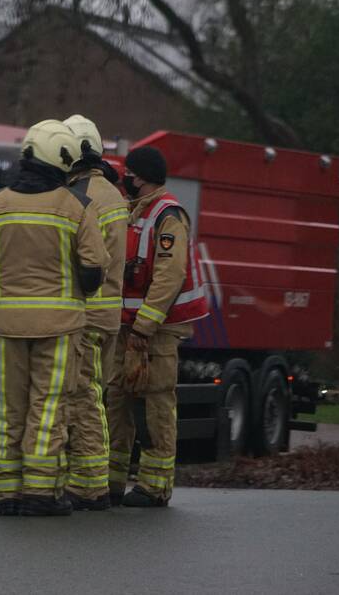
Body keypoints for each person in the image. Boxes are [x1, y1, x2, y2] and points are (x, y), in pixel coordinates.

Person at [0, 120, 109, 517]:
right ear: (61, 159)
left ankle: (7, 495)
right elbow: (95, 268)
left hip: (7, 326)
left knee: (8, 411)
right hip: (60, 329)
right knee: (48, 408)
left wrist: (2, 287)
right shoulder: (76, 206)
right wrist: (74, 291)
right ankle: (41, 493)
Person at [108, 146, 209, 508]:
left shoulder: (168, 216)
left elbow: (169, 275)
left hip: (156, 331)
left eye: (128, 175)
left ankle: (155, 485)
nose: (124, 181)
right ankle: (111, 481)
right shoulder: (134, 212)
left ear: (142, 177)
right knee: (116, 399)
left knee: (155, 405)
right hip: (127, 328)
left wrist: (145, 326)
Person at [62, 115, 128, 511]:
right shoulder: (112, 194)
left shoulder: (81, 196)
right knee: (94, 396)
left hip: (86, 313)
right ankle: (90, 479)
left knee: (82, 398)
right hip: (108, 314)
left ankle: (88, 483)